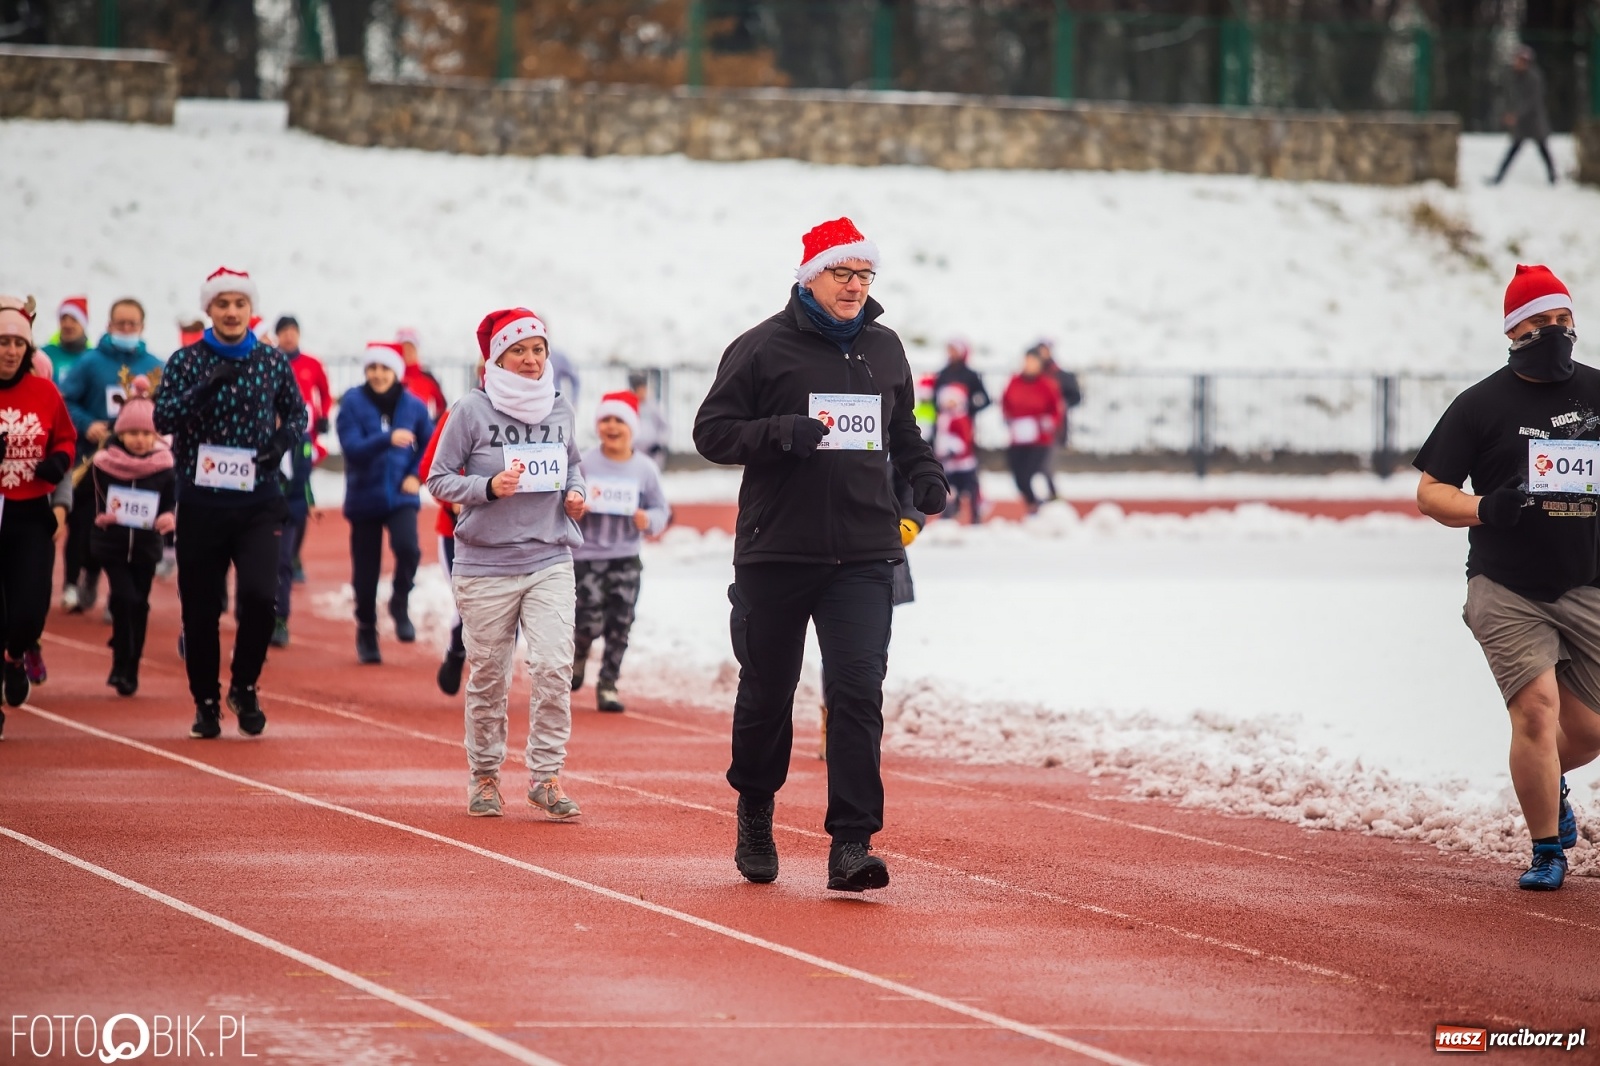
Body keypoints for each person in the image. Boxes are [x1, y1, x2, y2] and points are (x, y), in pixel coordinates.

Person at [694, 216, 948, 892]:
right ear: (812, 276)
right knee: (768, 694)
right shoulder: (761, 348)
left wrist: (924, 478)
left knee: (858, 692)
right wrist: (780, 431)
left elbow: (902, 433)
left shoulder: (886, 349)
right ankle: (755, 807)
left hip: (865, 554)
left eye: (865, 276)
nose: (855, 286)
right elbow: (711, 432)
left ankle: (852, 844)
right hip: (777, 552)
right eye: (844, 274)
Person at [1414, 264, 1600, 892]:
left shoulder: (1598, 393)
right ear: (1513, 330)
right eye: (1539, 322)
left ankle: (1548, 779)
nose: (1554, 331)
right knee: (1536, 714)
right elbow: (1430, 493)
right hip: (1506, 586)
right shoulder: (1479, 405)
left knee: (1590, 729)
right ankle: (1548, 847)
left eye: (1562, 319)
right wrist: (1486, 508)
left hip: (1588, 582)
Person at [426, 308, 588, 820]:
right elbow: (437, 478)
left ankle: (545, 776)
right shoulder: (471, 411)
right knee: (490, 675)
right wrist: (487, 488)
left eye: (537, 349)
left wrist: (578, 492)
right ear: (496, 357)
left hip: (549, 556)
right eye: (518, 350)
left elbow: (574, 463)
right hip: (485, 564)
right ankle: (486, 776)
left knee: (555, 667)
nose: (530, 359)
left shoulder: (559, 409)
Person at [153, 267, 306, 740]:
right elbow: (162, 418)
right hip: (200, 501)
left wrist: (280, 442)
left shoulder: (270, 361)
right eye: (223, 304)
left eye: (240, 303)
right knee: (201, 608)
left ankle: (243, 685)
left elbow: (299, 414)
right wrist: (204, 388)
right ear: (209, 310)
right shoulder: (186, 361)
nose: (232, 311)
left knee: (261, 596)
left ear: (250, 309)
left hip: (258, 499)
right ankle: (205, 701)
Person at [58, 298, 163, 615]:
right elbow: (65, 401)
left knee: (131, 526)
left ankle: (121, 593)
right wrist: (88, 424)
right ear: (109, 325)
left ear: (142, 327)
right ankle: (82, 577)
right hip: (94, 462)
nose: (126, 329)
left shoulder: (156, 366)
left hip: (141, 464)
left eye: (132, 324)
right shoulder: (90, 363)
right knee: (87, 525)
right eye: (121, 324)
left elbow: (168, 410)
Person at [0, 295, 77, 727]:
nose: (10, 350)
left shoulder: (44, 391)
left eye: (18, 343)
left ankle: (16, 656)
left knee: (29, 613)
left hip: (31, 513)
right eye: (2, 342)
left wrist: (59, 462)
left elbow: (66, 439)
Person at [572, 390, 671, 713]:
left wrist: (648, 520)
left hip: (626, 557)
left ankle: (608, 685)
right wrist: (577, 506)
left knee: (621, 624)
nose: (612, 427)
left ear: (633, 428)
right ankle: (577, 656)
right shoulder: (584, 463)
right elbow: (565, 502)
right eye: (605, 420)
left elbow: (661, 510)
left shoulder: (644, 468)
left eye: (619, 421)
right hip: (587, 557)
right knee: (587, 620)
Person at [337, 342, 432, 664]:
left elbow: (431, 445)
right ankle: (366, 628)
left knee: (409, 549)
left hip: (401, 494)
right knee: (365, 571)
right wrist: (386, 438)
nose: (378, 374)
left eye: (385, 368)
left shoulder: (414, 406)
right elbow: (351, 448)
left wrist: (416, 476)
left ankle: (400, 600)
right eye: (372, 368)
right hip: (364, 495)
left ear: (397, 372)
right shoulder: (352, 403)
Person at [89, 376, 176, 696]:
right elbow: (94, 499)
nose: (139, 440)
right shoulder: (105, 463)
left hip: (145, 547)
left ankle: (130, 667)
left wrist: (169, 516)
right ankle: (119, 658)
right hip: (112, 544)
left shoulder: (164, 465)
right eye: (132, 433)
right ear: (120, 433)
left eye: (145, 433)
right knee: (124, 597)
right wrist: (103, 514)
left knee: (139, 604)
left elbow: (171, 501)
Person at [419, 409, 468, 695]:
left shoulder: (539, 414)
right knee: (470, 603)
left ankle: (497, 677)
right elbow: (429, 468)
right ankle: (457, 651)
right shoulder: (460, 414)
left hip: (516, 537)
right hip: (457, 533)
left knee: (512, 609)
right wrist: (453, 501)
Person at [1002, 348, 1064, 513]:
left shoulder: (1047, 385)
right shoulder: (1014, 381)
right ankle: (1033, 503)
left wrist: (1049, 422)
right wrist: (1008, 418)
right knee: (1018, 475)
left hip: (1039, 439)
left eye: (1032, 362)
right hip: (1018, 436)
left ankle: (1044, 504)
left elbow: (1056, 409)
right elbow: (1006, 402)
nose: (1028, 365)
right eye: (1026, 361)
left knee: (1031, 473)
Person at [1491, 46, 1556, 186]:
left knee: (1543, 149)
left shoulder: (1534, 78)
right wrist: (1508, 112)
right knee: (1513, 150)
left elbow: (1532, 101)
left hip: (1534, 121)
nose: (1517, 63)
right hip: (1522, 122)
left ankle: (1553, 177)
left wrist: (1515, 114)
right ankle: (1498, 177)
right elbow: (1509, 97)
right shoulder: (1512, 76)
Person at [934, 382, 981, 523]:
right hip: (948, 463)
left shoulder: (961, 418)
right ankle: (949, 514)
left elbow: (965, 439)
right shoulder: (942, 418)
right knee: (950, 490)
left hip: (963, 462)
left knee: (968, 489)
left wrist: (954, 449)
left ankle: (974, 514)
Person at [1034, 339, 1082, 447]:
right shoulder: (1032, 376)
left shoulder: (1061, 375)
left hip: (1056, 425)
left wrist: (1063, 404)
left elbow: (1075, 397)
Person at [397, 327, 449, 422]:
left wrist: (432, 426)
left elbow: (442, 406)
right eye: (403, 348)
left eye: (411, 347)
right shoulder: (392, 378)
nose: (407, 351)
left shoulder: (428, 378)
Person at [933, 336, 990, 416]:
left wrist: (967, 406)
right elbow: (933, 397)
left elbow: (984, 399)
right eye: (950, 350)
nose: (951, 353)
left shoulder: (971, 375)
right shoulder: (942, 374)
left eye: (954, 350)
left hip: (964, 423)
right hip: (943, 423)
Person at [42, 296, 90, 386]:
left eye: (74, 319)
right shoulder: (45, 355)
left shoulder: (92, 357)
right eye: (63, 318)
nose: (67, 324)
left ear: (83, 324)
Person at [628, 370, 671, 467]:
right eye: (639, 390)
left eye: (644, 389)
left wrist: (660, 443)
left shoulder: (654, 406)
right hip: (634, 450)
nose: (642, 393)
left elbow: (664, 426)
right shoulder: (630, 406)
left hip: (652, 451)